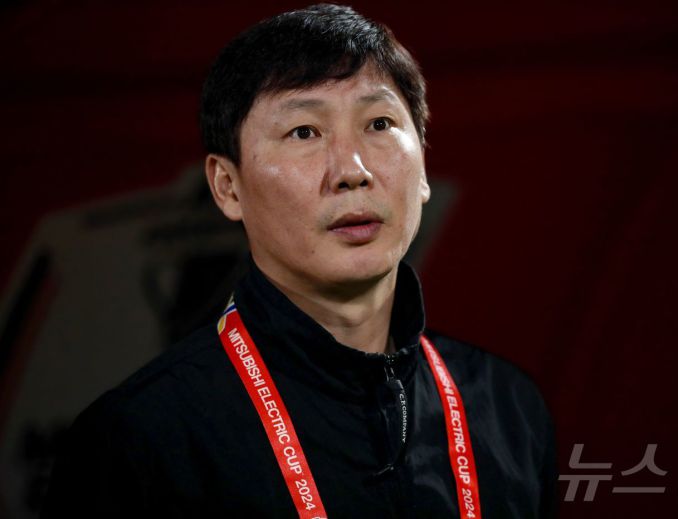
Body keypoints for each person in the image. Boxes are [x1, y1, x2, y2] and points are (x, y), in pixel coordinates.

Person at [42, 4, 558, 518]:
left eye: (379, 123)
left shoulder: (507, 409)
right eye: (304, 132)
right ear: (227, 186)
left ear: (422, 166)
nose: (352, 171)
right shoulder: (142, 440)